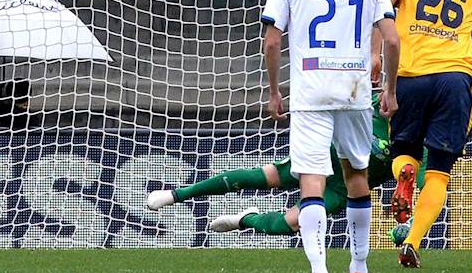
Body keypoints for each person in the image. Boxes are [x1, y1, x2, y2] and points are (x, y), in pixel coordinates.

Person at [258, 0, 400, 273]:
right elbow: (390, 38)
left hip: (310, 90)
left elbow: (272, 40)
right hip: (354, 90)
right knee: (357, 176)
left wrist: (274, 91)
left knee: (312, 181)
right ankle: (358, 269)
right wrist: (387, 89)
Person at [147, 94, 426, 237]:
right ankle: (176, 195)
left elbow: (422, 184)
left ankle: (246, 219)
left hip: (341, 190)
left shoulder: (416, 144)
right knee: (257, 178)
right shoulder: (376, 104)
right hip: (320, 159)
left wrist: (411, 223)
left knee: (288, 225)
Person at [381, 0, 472, 268]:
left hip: (411, 77)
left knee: (404, 151)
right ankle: (412, 241)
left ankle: (405, 174)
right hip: (454, 79)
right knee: (440, 172)